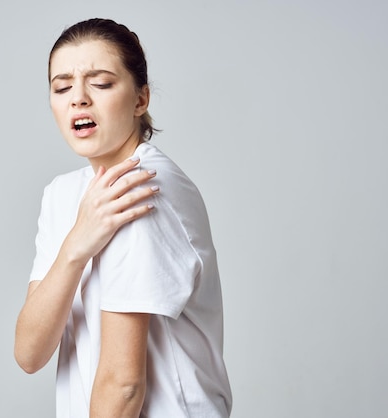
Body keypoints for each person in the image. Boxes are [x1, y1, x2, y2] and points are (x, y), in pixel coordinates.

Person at [14, 18, 232, 417]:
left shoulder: (142, 188)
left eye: (100, 83)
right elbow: (29, 352)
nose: (78, 98)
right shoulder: (63, 195)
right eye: (62, 87)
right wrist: (75, 248)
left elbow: (124, 384)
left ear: (140, 99)